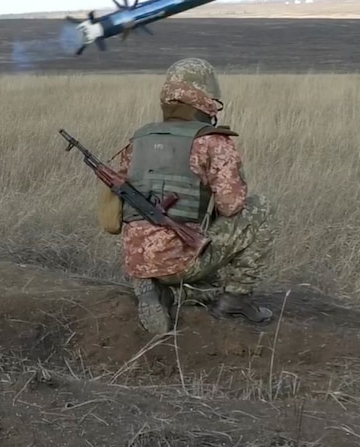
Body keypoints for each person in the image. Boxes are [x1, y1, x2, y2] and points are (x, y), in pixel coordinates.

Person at [100, 57, 274, 335]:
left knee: (179, 252)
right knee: (260, 207)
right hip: (181, 261)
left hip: (137, 259)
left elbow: (115, 211)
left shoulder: (138, 140)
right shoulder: (213, 141)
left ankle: (152, 283)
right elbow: (232, 206)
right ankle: (235, 296)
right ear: (202, 95)